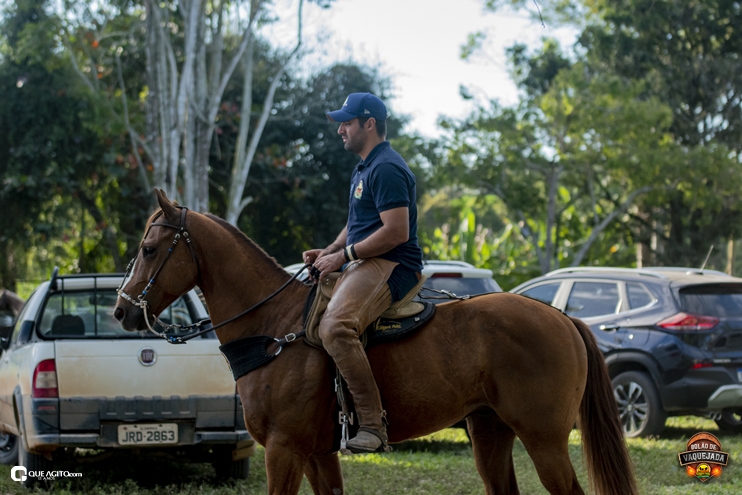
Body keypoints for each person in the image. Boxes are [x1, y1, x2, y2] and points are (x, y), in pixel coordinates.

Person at [302, 92, 424, 453]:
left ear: (369, 124)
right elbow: (357, 224)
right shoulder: (365, 166)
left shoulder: (386, 167)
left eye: (347, 122)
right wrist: (331, 251)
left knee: (335, 328)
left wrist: (345, 257)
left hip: (394, 264)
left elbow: (396, 232)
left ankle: (372, 424)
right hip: (366, 260)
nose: (341, 129)